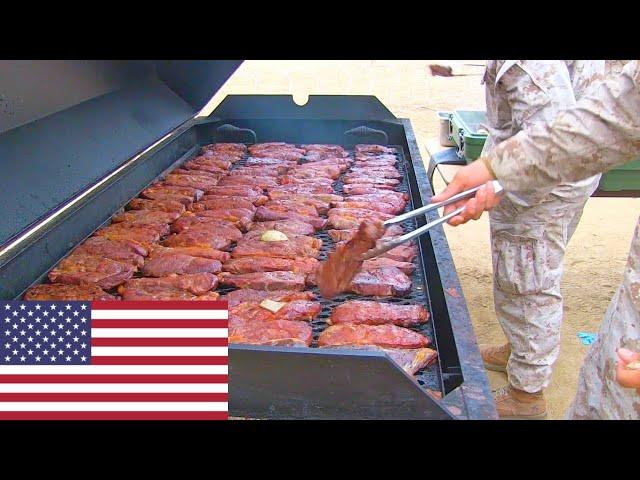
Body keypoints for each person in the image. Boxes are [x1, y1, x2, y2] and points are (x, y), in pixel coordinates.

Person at [431, 60, 640, 419]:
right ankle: (519, 351)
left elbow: (552, 118)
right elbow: (600, 120)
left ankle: (526, 395)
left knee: (527, 283)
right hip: (550, 167)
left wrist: (498, 179)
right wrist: (492, 168)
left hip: (542, 188)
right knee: (529, 277)